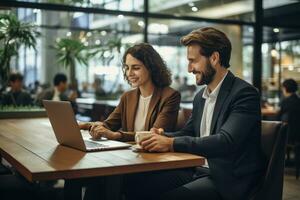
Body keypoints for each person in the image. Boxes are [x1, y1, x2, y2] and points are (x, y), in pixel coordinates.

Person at [126, 27, 266, 200]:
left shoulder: (244, 94)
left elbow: (226, 141)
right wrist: (161, 136)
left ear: (214, 58)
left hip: (228, 180)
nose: (189, 68)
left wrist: (171, 142)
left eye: (193, 61)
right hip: (198, 170)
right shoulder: (200, 96)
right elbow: (189, 133)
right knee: (133, 185)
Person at [66, 43, 181, 200]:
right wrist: (86, 126)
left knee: (100, 182)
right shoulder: (128, 97)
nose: (129, 73)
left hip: (150, 163)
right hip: (126, 158)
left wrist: (116, 136)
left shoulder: (170, 96)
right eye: (127, 67)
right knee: (74, 174)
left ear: (151, 67)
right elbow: (108, 124)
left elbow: (154, 135)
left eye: (135, 67)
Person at [278, 79, 300, 147]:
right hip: (297, 133)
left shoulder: (285, 102)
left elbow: (278, 118)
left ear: (285, 88)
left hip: (288, 134)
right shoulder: (298, 100)